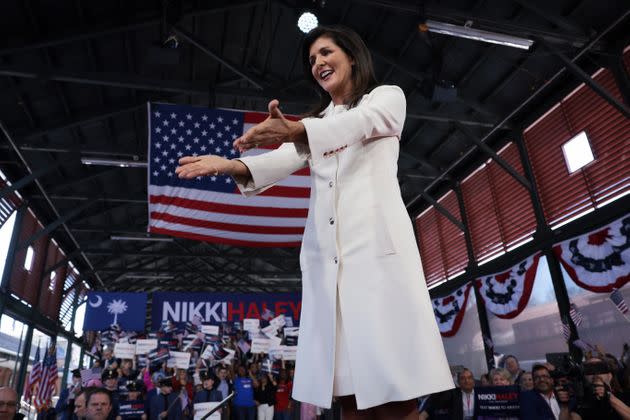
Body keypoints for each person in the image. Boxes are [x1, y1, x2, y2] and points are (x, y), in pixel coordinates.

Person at [175, 23, 453, 420]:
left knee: (394, 392)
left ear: (352, 56)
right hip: (329, 271)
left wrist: (298, 128)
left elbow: (356, 125)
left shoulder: (386, 98)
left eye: (326, 53)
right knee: (349, 396)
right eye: (311, 60)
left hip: (378, 262)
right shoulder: (318, 123)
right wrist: (230, 165)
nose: (318, 63)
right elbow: (282, 159)